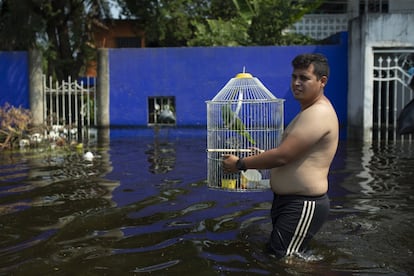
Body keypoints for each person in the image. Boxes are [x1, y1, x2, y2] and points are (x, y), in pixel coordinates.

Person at [222, 53, 339, 258]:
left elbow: (283, 156)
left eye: (304, 78)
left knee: (286, 261)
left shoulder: (318, 113)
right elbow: (291, 156)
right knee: (286, 257)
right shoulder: (307, 112)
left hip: (303, 203)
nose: (296, 83)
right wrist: (262, 156)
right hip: (290, 202)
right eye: (294, 77)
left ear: (322, 82)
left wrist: (240, 163)